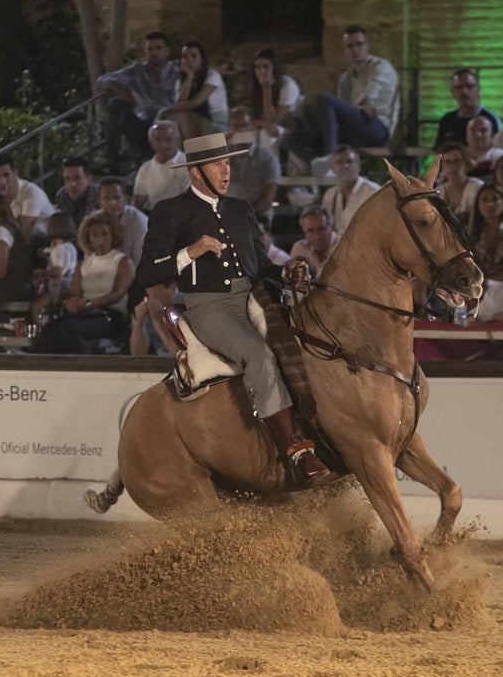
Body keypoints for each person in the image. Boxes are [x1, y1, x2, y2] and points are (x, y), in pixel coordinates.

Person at [135, 132, 333, 485]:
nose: (226, 171)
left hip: (254, 296)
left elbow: (259, 265)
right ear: (196, 172)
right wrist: (189, 253)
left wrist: (288, 269)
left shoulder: (240, 208)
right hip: (209, 306)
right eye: (217, 164)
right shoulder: (171, 210)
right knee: (258, 355)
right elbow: (147, 271)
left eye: (227, 163)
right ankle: (297, 450)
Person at [46, 210, 135, 352]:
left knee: (69, 329)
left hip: (110, 315)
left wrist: (89, 303)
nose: (100, 240)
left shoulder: (122, 261)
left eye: (104, 234)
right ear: (88, 238)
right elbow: (74, 292)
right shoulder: (83, 264)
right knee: (50, 328)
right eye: (95, 235)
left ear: (113, 235)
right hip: (84, 313)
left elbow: (117, 294)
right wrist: (71, 303)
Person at [96, 30, 178, 171]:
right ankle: (112, 159)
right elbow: (103, 79)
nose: (154, 52)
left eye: (158, 48)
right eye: (150, 49)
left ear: (167, 51)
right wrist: (124, 91)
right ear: (145, 52)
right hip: (141, 121)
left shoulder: (177, 73)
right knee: (116, 104)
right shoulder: (138, 70)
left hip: (166, 120)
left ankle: (146, 159)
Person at [316, 25, 399, 154]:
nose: (355, 50)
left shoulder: (381, 66)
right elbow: (346, 109)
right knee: (299, 133)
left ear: (367, 47)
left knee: (325, 99)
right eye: (350, 46)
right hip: (355, 128)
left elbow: (366, 99)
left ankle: (330, 160)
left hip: (378, 129)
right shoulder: (346, 78)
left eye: (359, 44)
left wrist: (351, 108)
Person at [159, 40, 228, 140]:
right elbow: (180, 103)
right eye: (185, 57)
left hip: (215, 122)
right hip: (193, 122)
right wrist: (189, 78)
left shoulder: (212, 75)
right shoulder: (181, 81)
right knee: (177, 117)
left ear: (202, 61)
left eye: (194, 56)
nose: (189, 60)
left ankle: (193, 152)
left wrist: (165, 111)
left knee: (183, 113)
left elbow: (195, 102)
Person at [226, 105, 281, 218]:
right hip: (226, 215)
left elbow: (267, 199)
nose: (241, 130)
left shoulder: (267, 159)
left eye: (245, 125)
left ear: (253, 128)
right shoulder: (222, 155)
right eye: (236, 126)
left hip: (257, 215)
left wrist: (245, 215)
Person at [248, 47, 303, 159]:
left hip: (291, 128)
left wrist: (266, 88)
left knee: (267, 134)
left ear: (274, 67)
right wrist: (259, 123)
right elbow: (252, 118)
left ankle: (272, 171)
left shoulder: (287, 85)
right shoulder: (255, 86)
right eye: (257, 67)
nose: (262, 71)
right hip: (266, 125)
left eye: (266, 66)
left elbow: (276, 120)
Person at [0, 153, 53, 243]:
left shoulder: (30, 192)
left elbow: (25, 235)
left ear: (15, 173)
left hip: (45, 243)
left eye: (6, 175)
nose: (2, 181)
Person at [434, 68, 500, 150]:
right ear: (452, 92)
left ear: (478, 90)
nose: (464, 91)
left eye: (469, 86)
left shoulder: (490, 119)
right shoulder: (447, 120)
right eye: (458, 87)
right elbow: (439, 153)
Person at [320, 145, 380, 234]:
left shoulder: (373, 192)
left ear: (359, 167)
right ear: (332, 169)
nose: (345, 166)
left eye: (349, 161)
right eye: (339, 162)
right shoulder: (330, 194)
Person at [132, 119, 190, 211]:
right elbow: (139, 202)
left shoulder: (190, 165)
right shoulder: (145, 168)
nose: (163, 145)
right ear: (151, 143)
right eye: (158, 140)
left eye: (168, 139)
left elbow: (191, 200)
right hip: (153, 217)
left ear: (178, 140)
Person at [30, 212, 79, 322]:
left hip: (57, 289)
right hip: (69, 284)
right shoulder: (71, 247)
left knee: (36, 307)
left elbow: (57, 272)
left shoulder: (58, 250)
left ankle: (40, 332)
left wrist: (41, 272)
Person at [468, 185, 503, 282]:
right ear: (477, 204)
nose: (490, 204)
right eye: (484, 200)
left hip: (500, 286)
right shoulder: (468, 232)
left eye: (495, 199)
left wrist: (486, 284)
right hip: (470, 285)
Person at [96, 176, 149, 271]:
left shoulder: (139, 222)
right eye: (106, 198)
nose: (112, 203)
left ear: (125, 199)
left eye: (117, 197)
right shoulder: (93, 221)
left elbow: (141, 262)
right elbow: (89, 257)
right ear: (100, 201)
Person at [435, 142, 482, 218]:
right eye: (447, 162)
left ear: (465, 162)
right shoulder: (438, 192)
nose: (452, 166)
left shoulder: (477, 187)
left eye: (456, 161)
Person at [288, 207, 339, 276]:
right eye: (310, 231)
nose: (317, 236)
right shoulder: (299, 249)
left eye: (321, 229)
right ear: (304, 231)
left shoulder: (344, 245)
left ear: (331, 226)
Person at [54, 156, 96, 226]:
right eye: (67, 179)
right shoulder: (62, 194)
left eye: (77, 178)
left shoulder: (98, 194)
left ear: (88, 179)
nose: (72, 184)